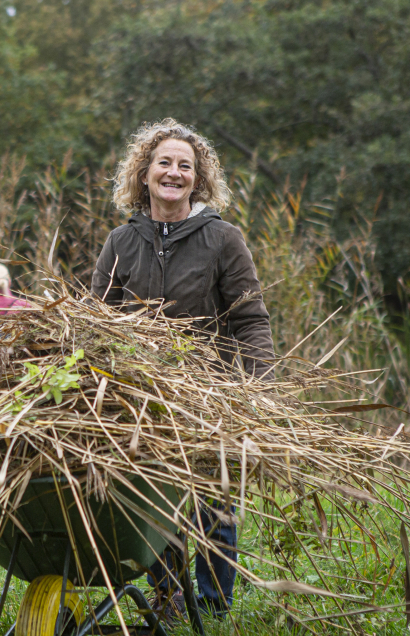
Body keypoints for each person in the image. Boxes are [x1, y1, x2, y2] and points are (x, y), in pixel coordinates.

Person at [90, 118, 275, 618]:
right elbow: (95, 323)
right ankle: (170, 597)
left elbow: (251, 320)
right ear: (144, 173)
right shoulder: (120, 243)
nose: (174, 173)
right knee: (152, 503)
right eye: (164, 163)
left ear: (198, 178)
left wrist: (256, 389)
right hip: (139, 397)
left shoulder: (222, 239)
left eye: (185, 166)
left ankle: (212, 608)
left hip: (208, 396)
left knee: (212, 506)